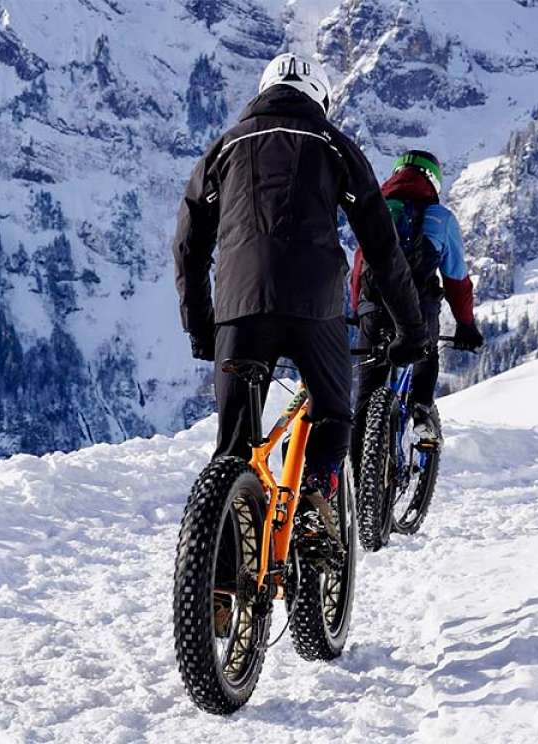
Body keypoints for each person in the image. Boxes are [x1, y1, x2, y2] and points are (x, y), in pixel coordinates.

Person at [172, 52, 428, 522]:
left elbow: (188, 245)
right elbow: (382, 249)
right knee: (333, 413)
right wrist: (411, 329)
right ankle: (315, 498)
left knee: (233, 448)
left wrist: (202, 327)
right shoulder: (334, 144)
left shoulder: (224, 147)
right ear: (321, 99)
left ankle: (222, 574)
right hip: (314, 306)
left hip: (239, 307)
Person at [351, 150, 484, 450]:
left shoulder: (377, 211)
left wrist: (359, 308)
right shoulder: (441, 218)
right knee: (426, 355)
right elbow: (457, 281)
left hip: (373, 308)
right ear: (433, 182)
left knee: (367, 393)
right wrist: (466, 324)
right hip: (419, 310)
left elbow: (359, 268)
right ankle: (422, 410)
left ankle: (356, 482)